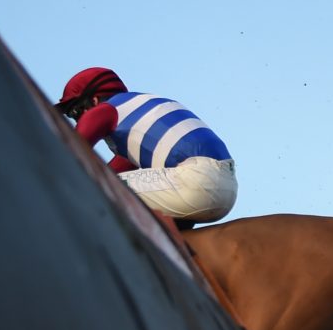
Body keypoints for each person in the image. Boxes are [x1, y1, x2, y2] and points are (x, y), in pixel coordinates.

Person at [55, 67, 238, 226]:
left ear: (94, 100)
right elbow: (115, 171)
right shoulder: (143, 108)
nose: (77, 119)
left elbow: (68, 150)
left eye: (75, 112)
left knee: (94, 186)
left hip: (195, 182)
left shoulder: (106, 110)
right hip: (226, 188)